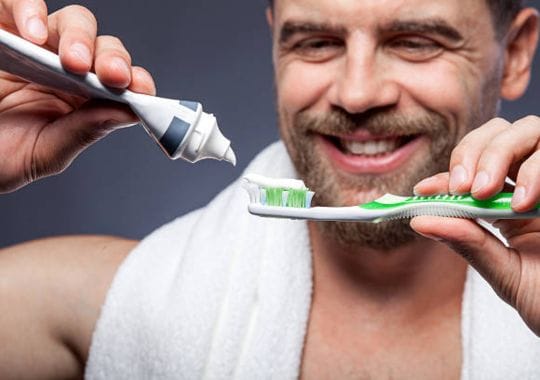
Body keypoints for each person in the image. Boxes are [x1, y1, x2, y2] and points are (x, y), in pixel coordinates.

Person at [0, 0, 539, 378]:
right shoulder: (110, 304)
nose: (356, 93)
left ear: (514, 54)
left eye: (415, 42)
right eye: (317, 43)